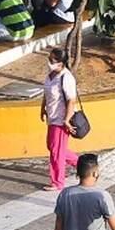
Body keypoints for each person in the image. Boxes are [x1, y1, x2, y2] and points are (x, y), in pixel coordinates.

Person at [41, 46, 80, 190]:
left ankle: (57, 182)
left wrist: (66, 120)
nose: (49, 62)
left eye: (52, 60)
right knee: (53, 147)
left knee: (56, 151)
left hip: (61, 119)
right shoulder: (50, 75)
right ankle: (81, 164)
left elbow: (71, 100)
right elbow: (46, 93)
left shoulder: (66, 77)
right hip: (52, 117)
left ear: (60, 63)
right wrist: (42, 108)